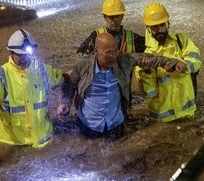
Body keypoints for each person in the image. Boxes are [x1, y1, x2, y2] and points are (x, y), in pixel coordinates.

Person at [59, 33, 188, 140]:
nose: (114, 56)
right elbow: (70, 85)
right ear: (96, 52)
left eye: (116, 51)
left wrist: (173, 63)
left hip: (116, 126)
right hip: (88, 126)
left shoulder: (123, 60)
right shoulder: (82, 66)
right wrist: (65, 103)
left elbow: (152, 58)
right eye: (109, 53)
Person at [0, 29, 66, 148]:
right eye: (20, 55)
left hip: (44, 141)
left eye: (27, 54)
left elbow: (64, 79)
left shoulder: (43, 70)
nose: (25, 58)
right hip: (15, 146)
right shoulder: (0, 77)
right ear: (11, 53)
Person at [135, 2, 202, 122]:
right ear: (148, 29)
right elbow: (149, 94)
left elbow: (196, 58)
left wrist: (185, 66)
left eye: (162, 25)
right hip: (163, 121)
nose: (160, 29)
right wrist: (147, 72)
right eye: (155, 26)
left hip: (187, 113)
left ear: (167, 23)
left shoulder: (182, 41)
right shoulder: (145, 57)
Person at [76, 0, 145, 55]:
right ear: (105, 17)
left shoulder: (132, 38)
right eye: (111, 16)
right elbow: (82, 55)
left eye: (117, 16)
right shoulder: (96, 36)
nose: (115, 20)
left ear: (122, 16)